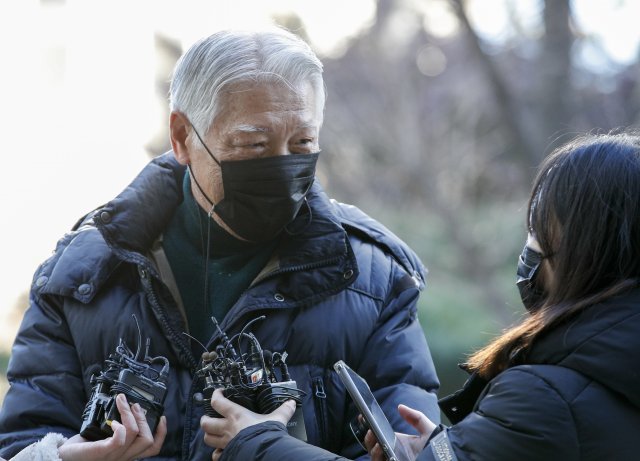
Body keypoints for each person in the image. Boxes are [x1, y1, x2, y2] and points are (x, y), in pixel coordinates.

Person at [0, 27, 440, 460]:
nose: (284, 165)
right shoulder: (80, 278)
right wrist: (65, 458)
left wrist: (274, 452)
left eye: (303, 141)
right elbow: (21, 442)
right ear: (182, 138)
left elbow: (413, 449)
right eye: (254, 144)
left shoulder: (374, 279)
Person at [200, 131, 640, 461]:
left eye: (542, 230)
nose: (529, 249)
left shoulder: (547, 399)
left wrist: (258, 444)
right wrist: (448, 450)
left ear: (591, 251)